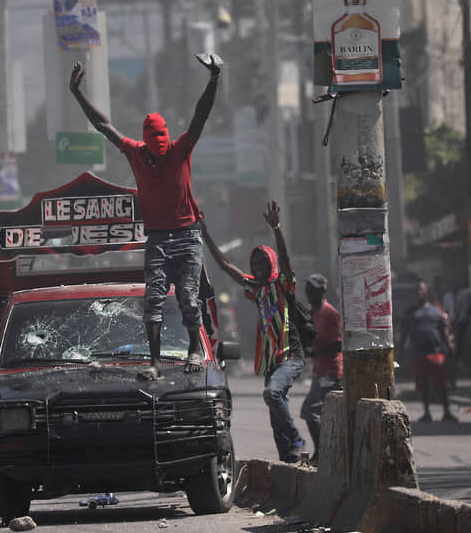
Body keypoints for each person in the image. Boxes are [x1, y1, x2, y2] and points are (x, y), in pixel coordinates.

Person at [69, 52, 222, 380]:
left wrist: (214, 79)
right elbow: (103, 125)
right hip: (156, 237)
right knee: (152, 298)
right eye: (155, 146)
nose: (159, 150)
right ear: (146, 142)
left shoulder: (180, 150)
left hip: (186, 235)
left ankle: (195, 348)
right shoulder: (136, 152)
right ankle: (154, 363)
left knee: (188, 298)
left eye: (162, 144)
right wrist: (77, 93)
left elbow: (200, 115)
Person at [198, 202, 307, 463]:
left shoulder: (283, 285)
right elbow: (224, 265)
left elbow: (285, 259)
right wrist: (204, 233)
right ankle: (289, 459)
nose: (258, 266)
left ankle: (297, 439)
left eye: (262, 261)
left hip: (290, 357)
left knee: (272, 395)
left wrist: (276, 228)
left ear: (270, 264)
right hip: (272, 363)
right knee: (274, 413)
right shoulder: (255, 290)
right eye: (254, 262)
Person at [299, 274, 342, 466]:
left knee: (310, 411)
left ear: (321, 291)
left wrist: (315, 353)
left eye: (313, 290)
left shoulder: (331, 314)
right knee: (318, 413)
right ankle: (327, 452)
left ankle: (323, 452)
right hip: (319, 370)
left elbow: (338, 345)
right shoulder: (309, 312)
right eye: (307, 289)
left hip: (331, 371)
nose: (309, 293)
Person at [401, 280, 458, 423]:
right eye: (418, 290)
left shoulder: (436, 311)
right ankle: (427, 413)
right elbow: (404, 333)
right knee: (423, 385)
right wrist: (400, 351)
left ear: (427, 292)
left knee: (441, 384)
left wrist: (450, 347)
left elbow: (444, 331)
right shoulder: (410, 313)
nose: (420, 293)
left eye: (422, 290)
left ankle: (447, 412)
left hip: (435, 353)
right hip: (418, 354)